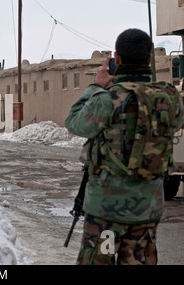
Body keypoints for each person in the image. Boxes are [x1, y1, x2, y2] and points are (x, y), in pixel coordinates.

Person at [65, 28, 184, 265]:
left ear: (116, 60)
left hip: (106, 216)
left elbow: (74, 123)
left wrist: (96, 86)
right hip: (147, 211)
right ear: (149, 59)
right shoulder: (170, 98)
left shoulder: (105, 99)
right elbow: (177, 122)